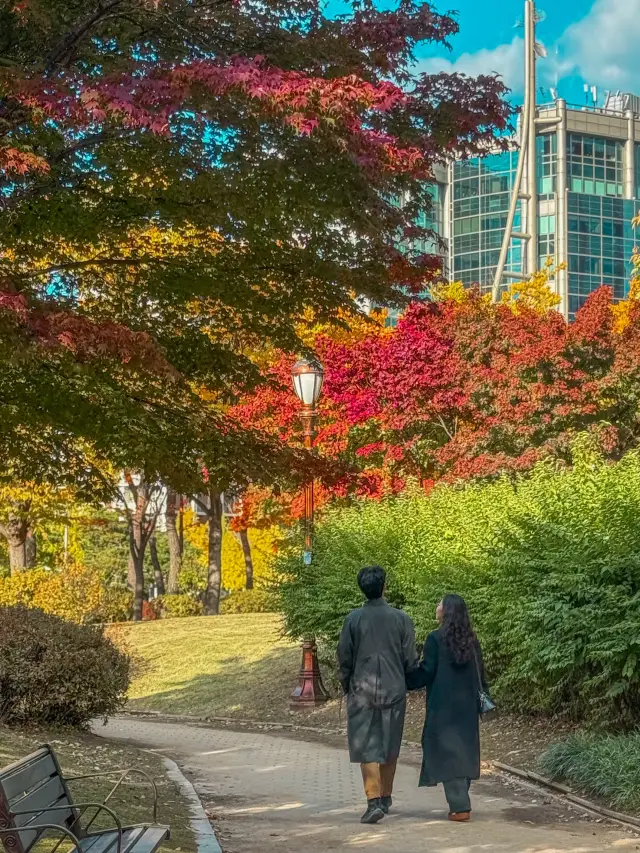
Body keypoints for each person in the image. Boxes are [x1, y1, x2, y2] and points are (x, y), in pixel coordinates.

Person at [337, 565, 418, 825]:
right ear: (384, 586)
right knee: (390, 744)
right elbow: (410, 659)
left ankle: (373, 800)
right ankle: (385, 796)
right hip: (394, 688)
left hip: (362, 690)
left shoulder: (353, 619)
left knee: (367, 746)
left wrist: (345, 683)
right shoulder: (401, 618)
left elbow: (345, 656)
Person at [408, 594, 488, 822]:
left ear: (448, 611)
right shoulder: (472, 640)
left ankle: (460, 805)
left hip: (442, 706)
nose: (437, 606)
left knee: (444, 751)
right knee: (463, 750)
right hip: (467, 707)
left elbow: (426, 672)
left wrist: (406, 677)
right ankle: (460, 799)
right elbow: (480, 674)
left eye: (440, 604)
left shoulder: (435, 639)